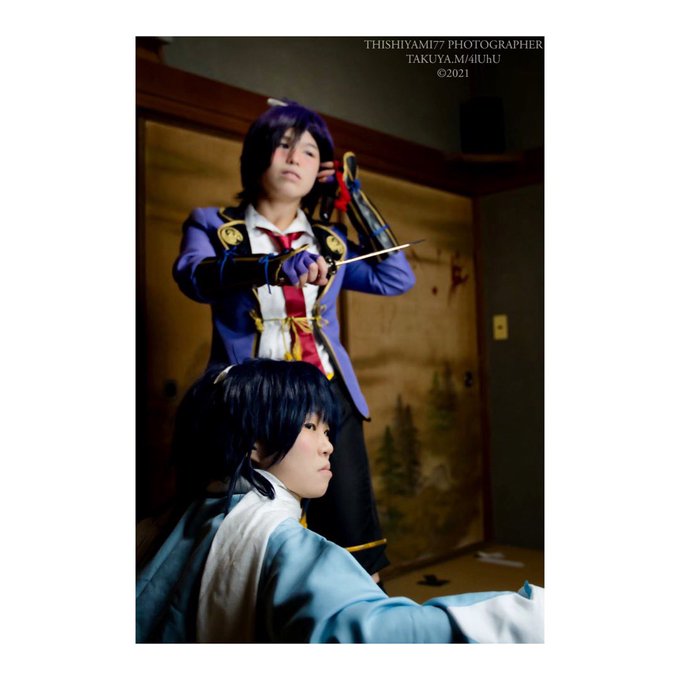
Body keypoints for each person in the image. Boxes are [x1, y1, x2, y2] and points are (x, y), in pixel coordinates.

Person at [172, 99, 416, 582]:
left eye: (308, 151)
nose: (294, 158)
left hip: (326, 396)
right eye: (282, 145)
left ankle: (354, 613)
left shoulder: (329, 240)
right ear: (255, 155)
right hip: (247, 398)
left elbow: (396, 277)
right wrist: (271, 266)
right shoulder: (215, 225)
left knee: (350, 531)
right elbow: (193, 276)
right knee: (244, 529)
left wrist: (355, 202)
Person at [136, 359, 544, 644]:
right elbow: (370, 635)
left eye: (328, 431)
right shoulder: (280, 541)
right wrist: (521, 620)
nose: (328, 446)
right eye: (309, 426)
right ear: (254, 444)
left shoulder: (183, 514)